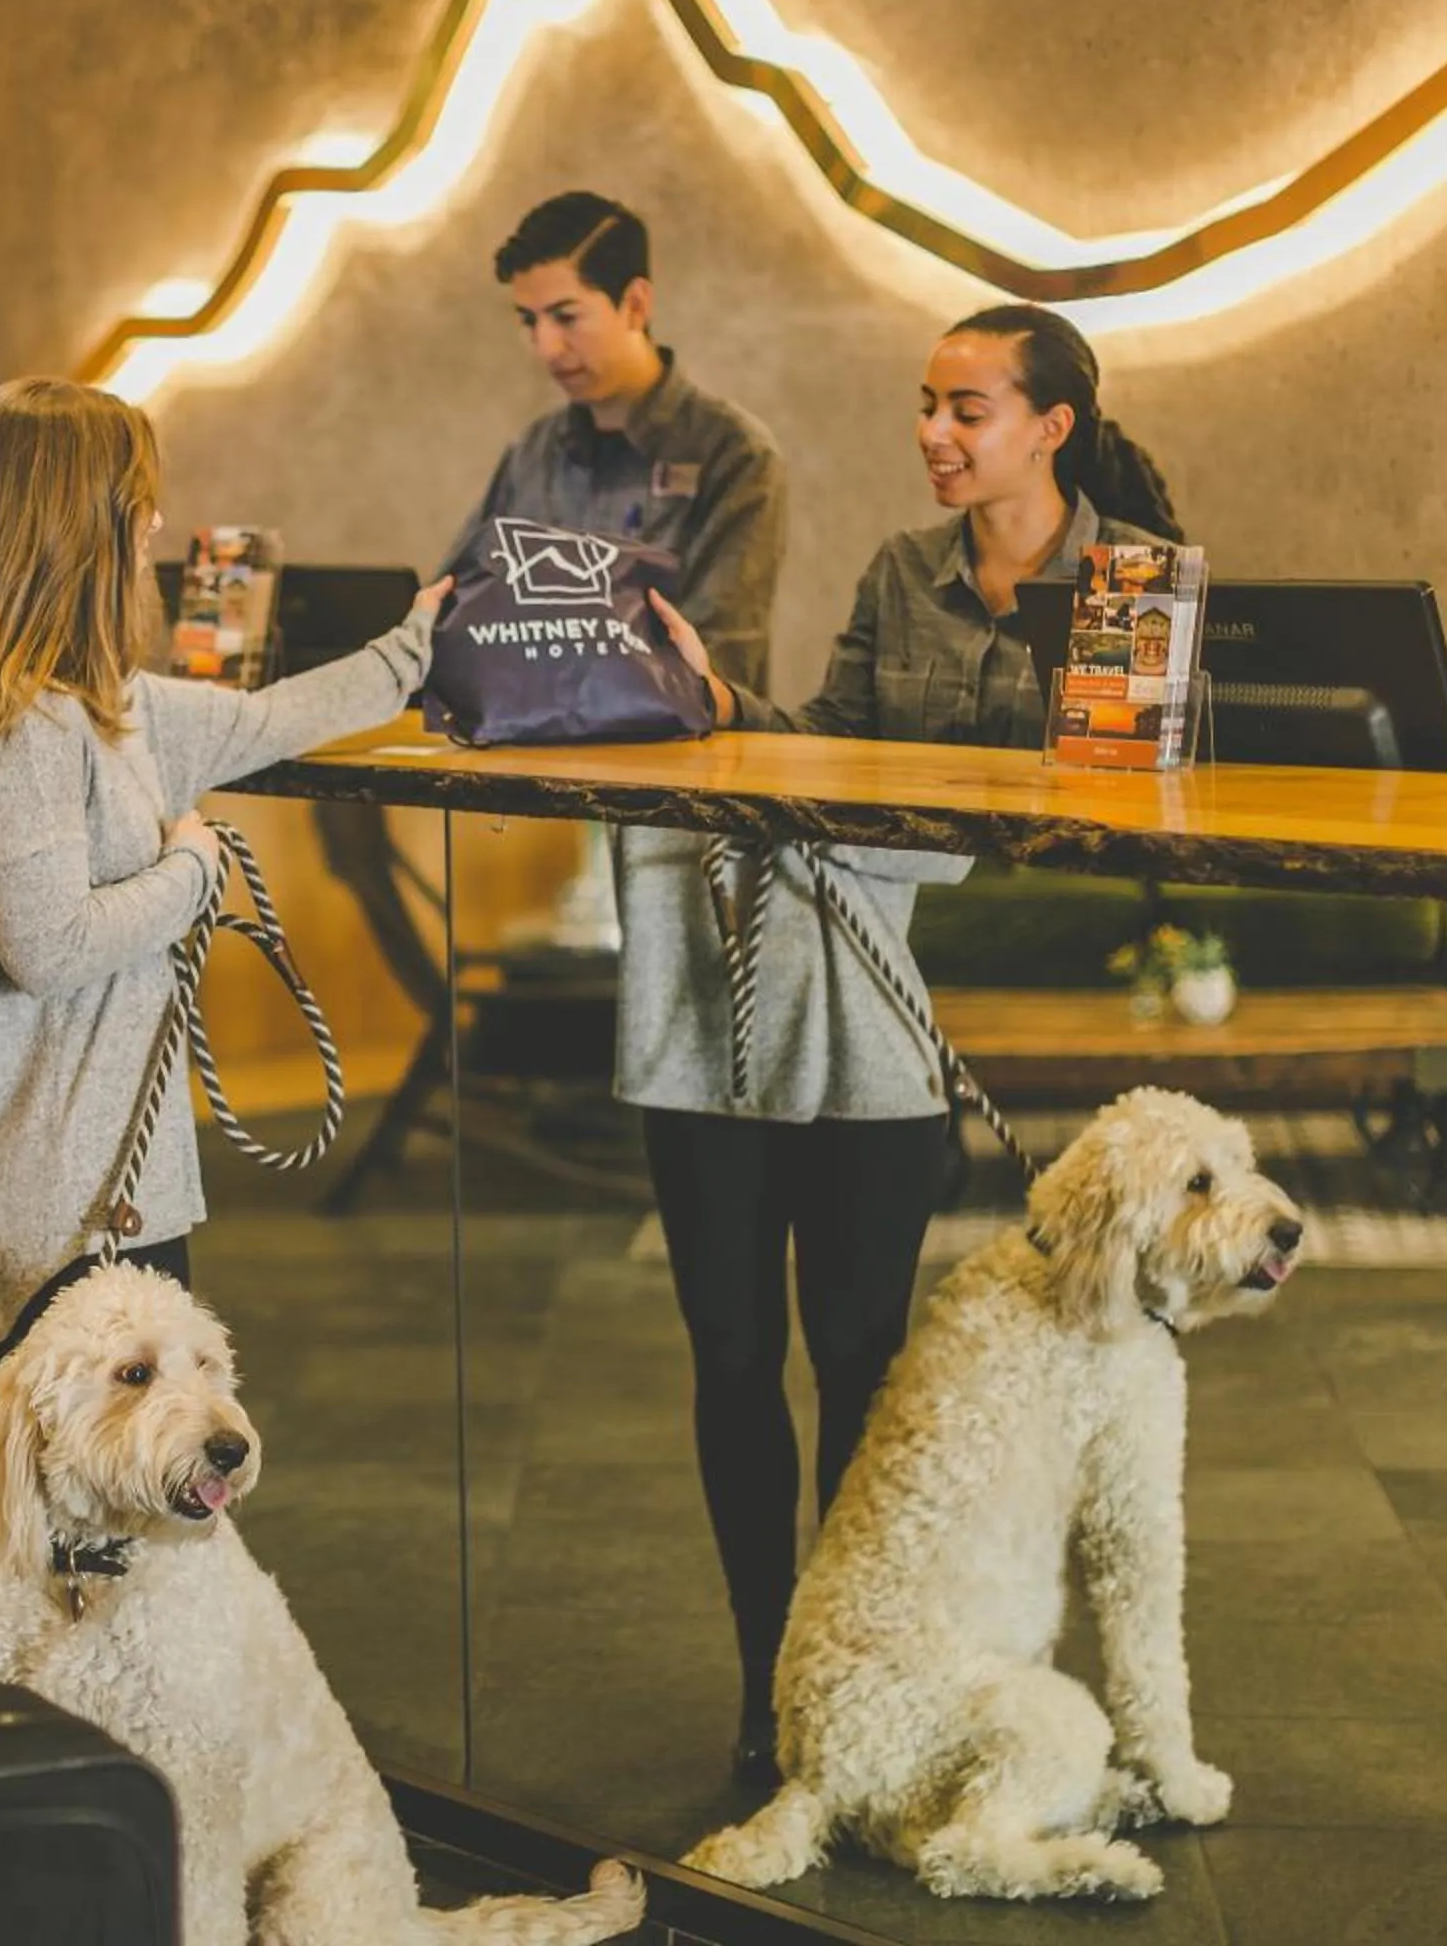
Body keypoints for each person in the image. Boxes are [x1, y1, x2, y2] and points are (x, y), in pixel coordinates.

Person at [632, 303, 1186, 1782]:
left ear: (1051, 426)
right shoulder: (899, 572)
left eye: (968, 409)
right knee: (742, 1359)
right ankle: (776, 1684)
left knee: (865, 1370)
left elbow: (1122, 806)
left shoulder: (1132, 587)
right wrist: (715, 698)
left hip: (924, 1015)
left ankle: (861, 1658)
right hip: (843, 986)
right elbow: (829, 745)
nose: (934, 435)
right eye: (924, 406)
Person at [0, 377, 446, 1355]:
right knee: (109, 1495)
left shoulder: (118, 708)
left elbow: (272, 718)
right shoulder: (32, 731)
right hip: (73, 1205)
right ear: (77, 535)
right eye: (135, 503)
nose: (156, 520)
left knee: (116, 1490)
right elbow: (49, 945)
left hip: (110, 1187)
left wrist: (417, 646)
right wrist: (197, 868)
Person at [440, 189, 785, 690]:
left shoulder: (733, 454)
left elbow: (719, 659)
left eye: (566, 317)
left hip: (674, 762)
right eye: (529, 321)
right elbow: (454, 609)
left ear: (635, 304)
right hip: (528, 753)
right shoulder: (533, 454)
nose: (546, 347)